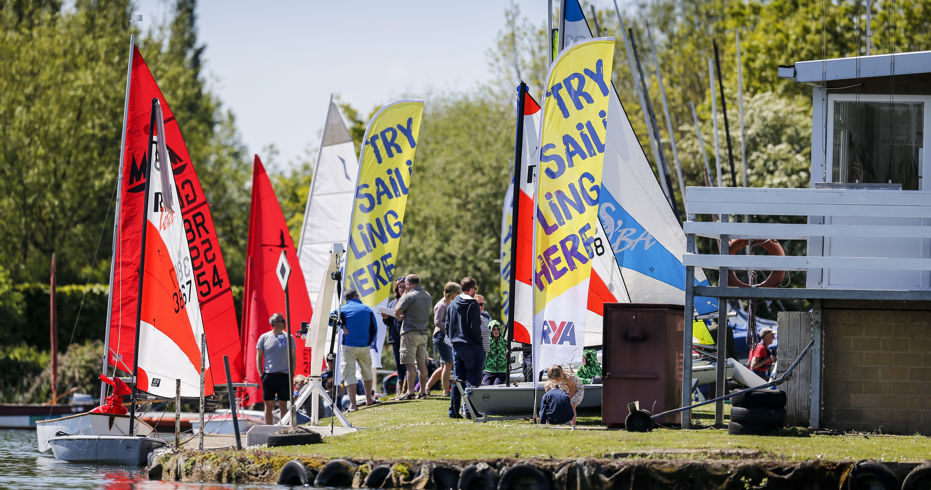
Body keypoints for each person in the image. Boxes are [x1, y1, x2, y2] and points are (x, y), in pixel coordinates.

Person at [446, 277, 484, 418]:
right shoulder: (472, 304)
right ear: (472, 289)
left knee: (458, 380)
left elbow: (447, 325)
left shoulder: (453, 303)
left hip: (457, 346)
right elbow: (475, 327)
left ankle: (454, 410)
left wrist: (453, 340)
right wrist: (478, 341)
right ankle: (471, 411)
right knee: (473, 380)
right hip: (472, 346)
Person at [338, 289, 378, 411]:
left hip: (348, 346)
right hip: (364, 346)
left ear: (346, 299)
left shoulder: (342, 309)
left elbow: (331, 319)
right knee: (367, 372)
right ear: (356, 296)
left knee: (349, 375)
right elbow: (374, 329)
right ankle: (369, 399)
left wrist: (342, 326)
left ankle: (353, 405)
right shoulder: (367, 309)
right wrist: (368, 342)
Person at [394, 273, 433, 400]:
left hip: (409, 333)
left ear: (409, 284)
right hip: (423, 333)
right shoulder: (427, 295)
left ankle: (410, 392)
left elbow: (397, 311)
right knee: (422, 364)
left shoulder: (409, 295)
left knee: (409, 364)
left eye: (406, 285)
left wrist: (400, 317)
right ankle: (422, 391)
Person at [256, 313, 295, 425]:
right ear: (274, 323)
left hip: (284, 375)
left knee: (283, 404)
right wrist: (261, 374)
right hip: (269, 375)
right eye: (281, 321)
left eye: (283, 320)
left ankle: (283, 427)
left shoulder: (289, 337)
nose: (284, 323)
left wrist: (291, 374)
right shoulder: (264, 337)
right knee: (268, 405)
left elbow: (293, 357)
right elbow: (258, 357)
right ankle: (269, 427)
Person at [426, 282, 460, 396]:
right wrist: (449, 327)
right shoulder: (441, 304)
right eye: (457, 292)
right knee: (448, 363)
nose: (458, 294)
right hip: (441, 335)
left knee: (444, 366)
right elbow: (437, 322)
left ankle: (427, 386)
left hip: (446, 336)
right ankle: (446, 391)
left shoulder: (450, 302)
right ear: (451, 293)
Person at [384, 277, 407, 395]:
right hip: (395, 336)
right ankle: (400, 388)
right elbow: (388, 323)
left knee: (407, 363)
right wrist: (385, 318)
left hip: (407, 336)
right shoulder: (392, 303)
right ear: (396, 289)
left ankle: (408, 388)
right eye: (400, 287)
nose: (402, 289)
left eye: (404, 286)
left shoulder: (410, 300)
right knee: (398, 364)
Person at [482, 320, 508, 385]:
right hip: (489, 371)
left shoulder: (505, 342)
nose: (496, 331)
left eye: (497, 329)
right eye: (493, 329)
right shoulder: (486, 342)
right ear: (490, 330)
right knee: (486, 388)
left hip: (501, 371)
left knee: (497, 386)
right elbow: (482, 357)